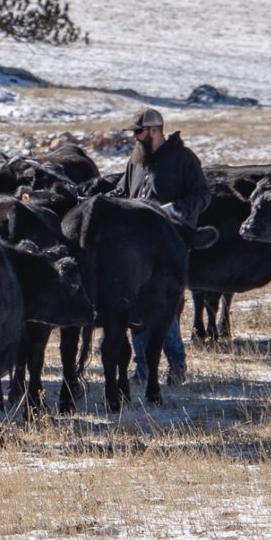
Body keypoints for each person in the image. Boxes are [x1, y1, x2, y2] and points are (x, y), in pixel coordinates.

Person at [121, 107, 209, 386]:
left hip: (170, 245)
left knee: (163, 306)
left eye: (139, 131)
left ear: (155, 130)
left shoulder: (183, 159)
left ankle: (176, 365)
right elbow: (123, 193)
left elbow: (203, 195)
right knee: (135, 305)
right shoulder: (135, 161)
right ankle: (144, 369)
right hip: (136, 246)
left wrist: (175, 209)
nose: (135, 137)